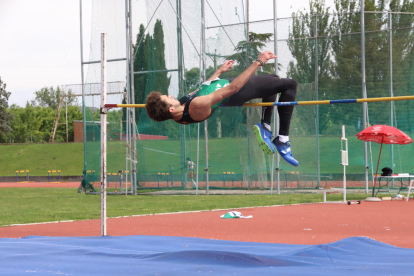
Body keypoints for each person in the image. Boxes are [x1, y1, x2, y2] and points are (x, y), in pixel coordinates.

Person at [145, 51, 298, 166]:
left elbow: (201, 90)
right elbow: (234, 88)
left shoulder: (181, 106)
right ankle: (283, 139)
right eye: (168, 98)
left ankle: (265, 126)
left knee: (274, 80)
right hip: (237, 91)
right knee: (290, 84)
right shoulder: (196, 107)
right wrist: (258, 62)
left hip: (226, 82)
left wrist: (218, 72)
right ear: (171, 110)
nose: (171, 96)